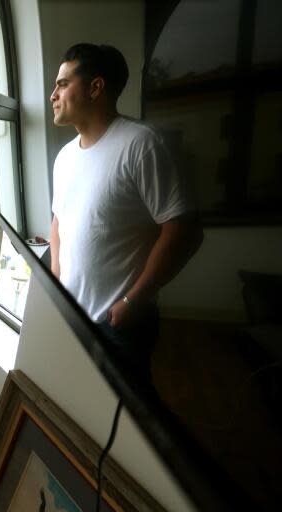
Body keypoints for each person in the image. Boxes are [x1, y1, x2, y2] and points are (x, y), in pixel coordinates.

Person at [48, 43, 203, 382]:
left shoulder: (142, 144)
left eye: (62, 84)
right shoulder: (64, 158)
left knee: (129, 420)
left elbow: (185, 230)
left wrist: (132, 302)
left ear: (95, 87)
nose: (52, 95)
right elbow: (59, 221)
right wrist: (57, 285)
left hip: (119, 326)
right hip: (73, 318)